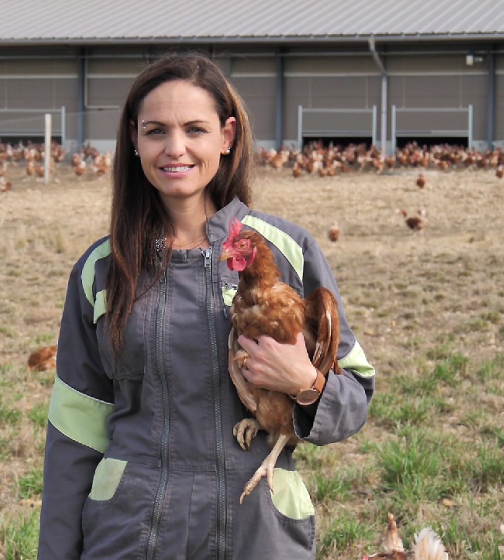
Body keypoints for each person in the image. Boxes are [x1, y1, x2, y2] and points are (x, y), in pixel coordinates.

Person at [39, 51, 375, 560]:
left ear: (227, 136)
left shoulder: (287, 250)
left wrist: (306, 384)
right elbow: (74, 433)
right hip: (132, 532)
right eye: (155, 131)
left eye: (195, 129)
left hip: (255, 527)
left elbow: (356, 397)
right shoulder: (103, 269)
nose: (176, 148)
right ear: (133, 139)